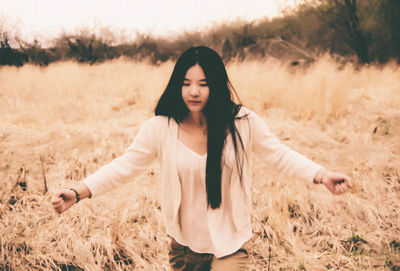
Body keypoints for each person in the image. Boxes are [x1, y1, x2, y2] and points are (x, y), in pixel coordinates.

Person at [51, 46, 352, 270]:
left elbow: (278, 154)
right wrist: (79, 192)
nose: (193, 91)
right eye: (186, 82)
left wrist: (321, 175)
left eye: (203, 83)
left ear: (216, 84)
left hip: (229, 246)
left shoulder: (242, 122)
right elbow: (125, 165)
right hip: (184, 248)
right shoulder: (161, 128)